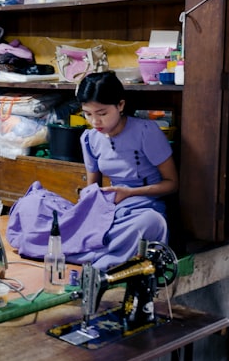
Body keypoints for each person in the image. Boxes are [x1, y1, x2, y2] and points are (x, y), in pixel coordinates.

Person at [76, 71, 178, 264]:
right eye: (87, 114)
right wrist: (88, 202)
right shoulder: (89, 139)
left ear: (120, 105)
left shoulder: (146, 132)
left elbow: (172, 184)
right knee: (37, 205)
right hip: (111, 208)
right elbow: (92, 189)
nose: (95, 122)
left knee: (150, 223)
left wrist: (129, 193)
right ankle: (101, 249)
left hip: (144, 207)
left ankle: (102, 256)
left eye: (102, 113)